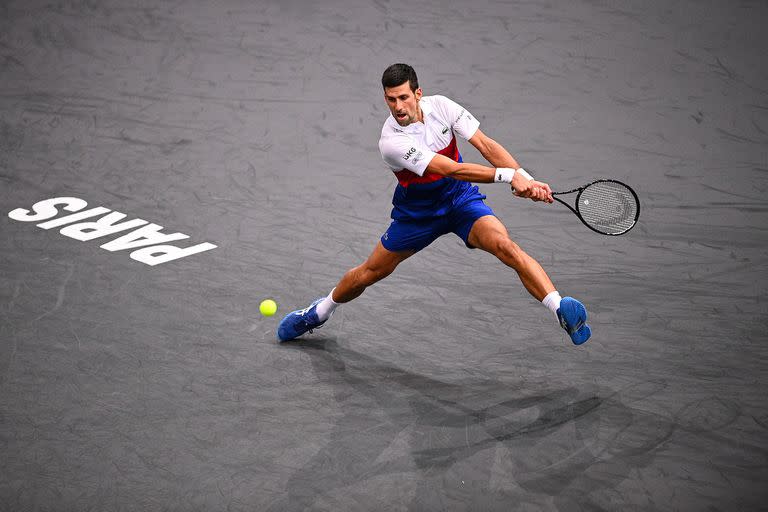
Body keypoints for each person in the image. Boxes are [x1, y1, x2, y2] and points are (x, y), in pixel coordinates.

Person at [277, 63, 591, 345]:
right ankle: (320, 311)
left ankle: (559, 308)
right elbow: (450, 168)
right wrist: (510, 177)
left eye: (403, 97)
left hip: (460, 201)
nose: (397, 107)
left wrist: (526, 177)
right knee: (368, 273)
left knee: (505, 246)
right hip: (418, 216)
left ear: (418, 93)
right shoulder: (392, 142)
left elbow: (484, 144)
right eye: (390, 99)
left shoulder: (441, 106)